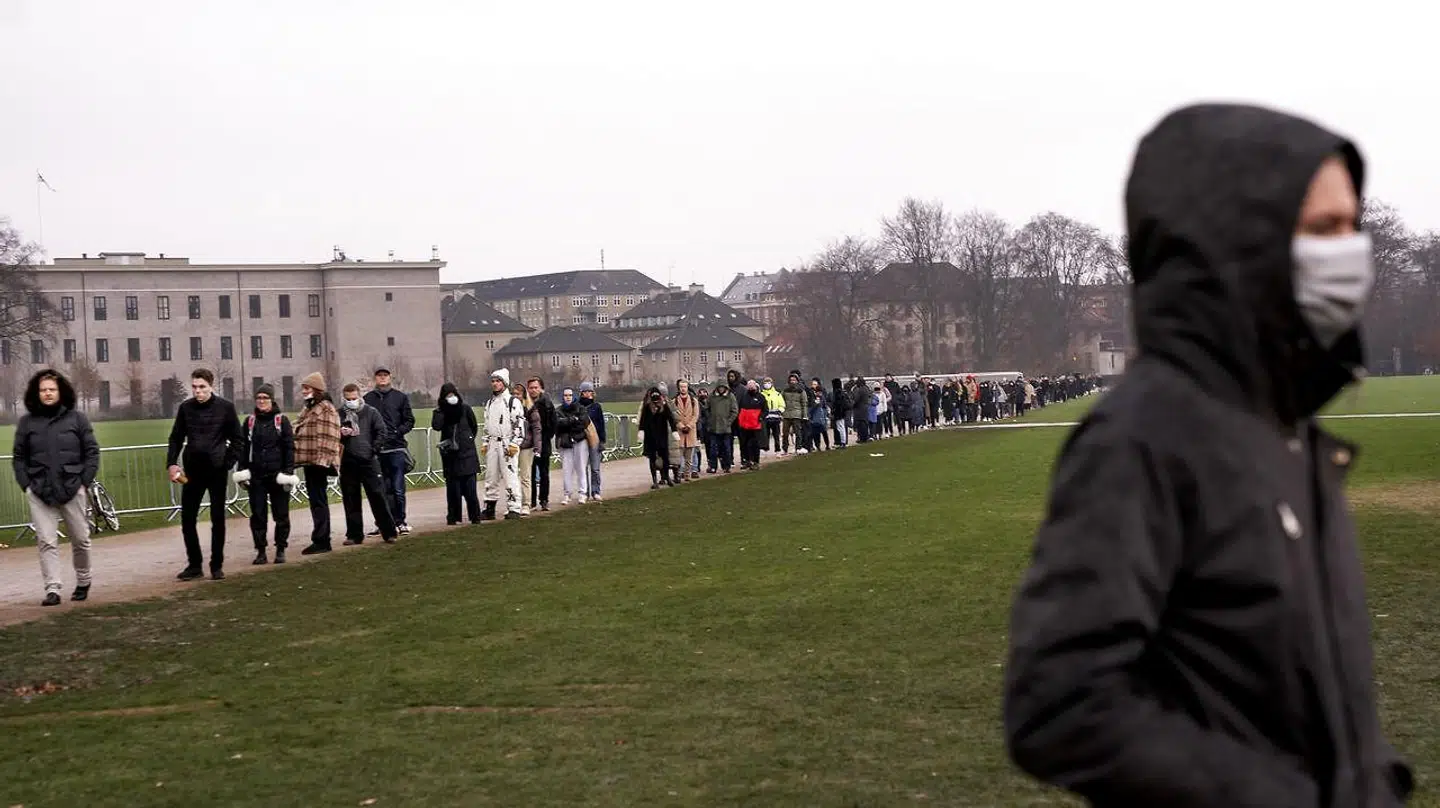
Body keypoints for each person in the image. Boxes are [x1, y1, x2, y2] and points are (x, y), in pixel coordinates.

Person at [1004, 103, 1413, 807]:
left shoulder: (1285, 427)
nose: (1350, 254)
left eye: (1353, 227)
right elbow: (1059, 704)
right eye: (1322, 230)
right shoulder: (1145, 439)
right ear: (1235, 246)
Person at [13, 369, 99, 606]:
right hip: (39, 490)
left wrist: (84, 481)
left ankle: (84, 580)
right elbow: (19, 456)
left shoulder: (77, 419)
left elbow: (91, 451)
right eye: (43, 390)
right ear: (36, 393)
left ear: (60, 392)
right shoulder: (27, 423)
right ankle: (53, 588)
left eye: (52, 389)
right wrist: (26, 485)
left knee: (81, 539)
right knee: (47, 541)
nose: (48, 393)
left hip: (72, 488)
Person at [166, 368, 241, 581]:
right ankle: (194, 564)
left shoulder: (225, 408)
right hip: (193, 470)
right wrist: (172, 463)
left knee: (218, 519)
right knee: (187, 518)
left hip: (216, 470)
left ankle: (216, 565)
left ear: (211, 386)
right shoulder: (185, 408)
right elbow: (176, 437)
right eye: (194, 387)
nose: (197, 392)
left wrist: (227, 462)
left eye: (202, 387)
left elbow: (238, 439)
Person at [234, 384, 297, 565]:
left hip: (277, 475)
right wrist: (242, 472)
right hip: (257, 475)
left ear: (271, 400)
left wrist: (288, 473)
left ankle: (280, 549)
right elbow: (244, 449)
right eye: (259, 398)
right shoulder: (249, 422)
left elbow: (289, 448)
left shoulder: (281, 421)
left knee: (281, 515)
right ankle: (261, 551)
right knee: (258, 515)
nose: (261, 401)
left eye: (265, 398)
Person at [337, 383, 397, 544]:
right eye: (348, 399)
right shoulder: (340, 414)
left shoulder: (370, 412)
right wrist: (341, 434)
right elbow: (333, 436)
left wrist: (374, 449)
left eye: (354, 398)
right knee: (350, 499)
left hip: (368, 460)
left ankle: (389, 532)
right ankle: (354, 534)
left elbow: (381, 431)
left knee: (377, 496)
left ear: (359, 396)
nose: (351, 401)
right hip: (348, 461)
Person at [363, 367, 415, 535]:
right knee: (381, 490)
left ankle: (400, 521)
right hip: (377, 451)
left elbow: (409, 420)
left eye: (385, 376)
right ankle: (384, 523)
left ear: (390, 378)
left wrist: (397, 432)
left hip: (396, 448)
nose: (383, 379)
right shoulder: (368, 399)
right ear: (375, 379)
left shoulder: (400, 397)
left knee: (398, 489)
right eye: (379, 376)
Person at [294, 373, 342, 555]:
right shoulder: (310, 407)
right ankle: (320, 537)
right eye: (304, 388)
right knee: (316, 500)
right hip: (311, 460)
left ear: (316, 389)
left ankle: (322, 539)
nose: (304, 391)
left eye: (307, 388)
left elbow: (329, 435)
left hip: (318, 462)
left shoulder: (325, 408)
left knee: (319, 501)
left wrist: (323, 460)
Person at [431, 382, 481, 525]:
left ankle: (475, 516)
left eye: (452, 394)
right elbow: (436, 426)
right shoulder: (440, 411)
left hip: (467, 454)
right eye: (447, 395)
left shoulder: (465, 409)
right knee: (453, 490)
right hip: (450, 456)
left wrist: (467, 439)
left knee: (471, 490)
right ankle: (453, 517)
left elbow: (473, 426)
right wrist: (441, 410)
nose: (451, 397)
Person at [482, 369, 525, 520]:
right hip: (493, 442)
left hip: (507, 443)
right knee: (491, 476)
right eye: (493, 381)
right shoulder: (490, 403)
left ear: (504, 383)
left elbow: (519, 424)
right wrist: (485, 441)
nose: (495, 384)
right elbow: (487, 425)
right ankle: (489, 507)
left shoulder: (513, 402)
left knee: (510, 475)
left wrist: (515, 443)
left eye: (498, 381)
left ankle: (514, 507)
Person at [554, 387, 591, 504]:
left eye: (570, 395)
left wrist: (569, 422)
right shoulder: (558, 410)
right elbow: (557, 423)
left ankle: (582, 493)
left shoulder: (581, 408)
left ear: (573, 396)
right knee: (566, 469)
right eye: (565, 395)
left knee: (581, 468)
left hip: (579, 441)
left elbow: (584, 422)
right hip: (565, 443)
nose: (568, 397)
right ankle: (567, 494)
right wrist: (572, 420)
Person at [525, 376, 556, 512]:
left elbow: (553, 422)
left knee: (544, 473)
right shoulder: (525, 403)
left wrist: (547, 437)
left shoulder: (547, 403)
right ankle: (530, 501)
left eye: (536, 387)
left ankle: (544, 500)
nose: (533, 390)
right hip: (529, 443)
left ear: (541, 388)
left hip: (544, 441)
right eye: (531, 388)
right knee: (529, 473)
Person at [639, 387, 676, 488]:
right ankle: (655, 480)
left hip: (662, 436)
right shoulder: (647, 407)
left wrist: (674, 431)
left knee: (665, 458)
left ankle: (667, 477)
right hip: (650, 436)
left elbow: (671, 418)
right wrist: (641, 431)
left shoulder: (664, 407)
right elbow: (643, 420)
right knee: (652, 459)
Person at [513, 381, 539, 517]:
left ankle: (526, 503)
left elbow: (536, 428)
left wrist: (537, 446)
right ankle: (513, 502)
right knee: (511, 476)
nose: (516, 396)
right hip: (512, 445)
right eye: (514, 394)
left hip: (526, 446)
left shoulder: (529, 408)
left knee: (525, 476)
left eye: (518, 394)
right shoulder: (509, 408)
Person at [580, 381, 606, 499]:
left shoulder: (596, 406)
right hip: (582, 439)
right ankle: (585, 491)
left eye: (590, 391)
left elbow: (601, 424)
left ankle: (596, 491)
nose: (588, 393)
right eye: (586, 391)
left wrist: (602, 440)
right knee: (583, 467)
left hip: (595, 439)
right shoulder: (578, 406)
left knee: (595, 468)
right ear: (582, 393)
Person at [704, 381, 737, 474]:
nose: (721, 389)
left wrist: (729, 422)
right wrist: (710, 419)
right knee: (713, 449)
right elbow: (706, 408)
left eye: (723, 387)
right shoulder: (712, 396)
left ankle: (727, 466)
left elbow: (734, 411)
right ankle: (713, 466)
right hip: (714, 427)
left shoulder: (730, 397)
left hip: (726, 428)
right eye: (720, 387)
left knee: (726, 448)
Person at [672, 380, 700, 479]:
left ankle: (687, 474)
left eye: (685, 387)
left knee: (689, 456)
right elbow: (673, 416)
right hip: (680, 431)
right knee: (679, 455)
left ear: (687, 388)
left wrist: (689, 426)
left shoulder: (693, 401)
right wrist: (681, 426)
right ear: (679, 388)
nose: (683, 389)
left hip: (690, 431)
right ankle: (679, 473)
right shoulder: (674, 401)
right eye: (681, 387)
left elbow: (695, 415)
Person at [736, 380, 765, 470]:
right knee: (745, 444)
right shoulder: (744, 397)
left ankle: (756, 462)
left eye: (753, 387)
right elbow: (740, 409)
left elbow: (765, 410)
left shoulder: (761, 397)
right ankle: (747, 460)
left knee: (755, 444)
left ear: (756, 387)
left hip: (756, 425)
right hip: (745, 425)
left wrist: (760, 417)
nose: (751, 389)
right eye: (749, 387)